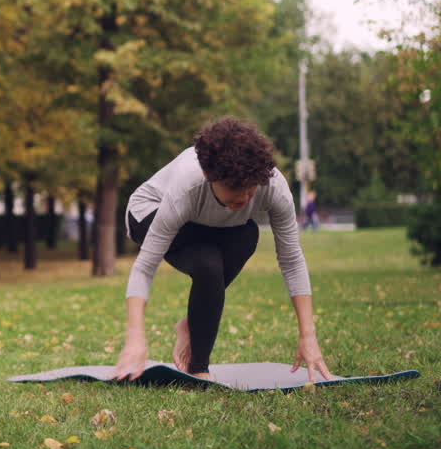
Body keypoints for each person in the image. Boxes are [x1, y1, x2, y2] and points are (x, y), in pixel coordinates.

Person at [112, 117, 333, 383]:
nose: (243, 198)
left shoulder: (273, 186)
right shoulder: (187, 186)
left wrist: (308, 336)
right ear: (208, 175)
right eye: (233, 190)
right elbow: (145, 267)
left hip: (208, 223)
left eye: (250, 191)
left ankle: (191, 327)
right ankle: (199, 369)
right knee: (208, 263)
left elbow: (292, 260)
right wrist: (136, 339)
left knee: (247, 235)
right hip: (148, 213)